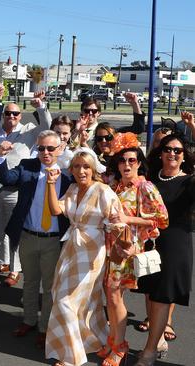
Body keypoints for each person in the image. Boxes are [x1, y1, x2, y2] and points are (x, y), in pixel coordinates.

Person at [0, 130, 73, 348]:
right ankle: (28, 320)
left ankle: (45, 327)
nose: (45, 152)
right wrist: (0, 156)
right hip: (28, 236)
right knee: (30, 282)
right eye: (41, 148)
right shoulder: (27, 166)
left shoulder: (68, 176)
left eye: (50, 148)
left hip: (53, 240)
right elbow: (5, 178)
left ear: (60, 149)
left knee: (49, 287)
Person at [45, 151, 124, 366]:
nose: (81, 171)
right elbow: (55, 210)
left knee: (67, 301)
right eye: (77, 166)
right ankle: (93, 340)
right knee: (70, 298)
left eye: (86, 166)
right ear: (71, 170)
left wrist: (116, 246)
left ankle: (71, 357)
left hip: (92, 252)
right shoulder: (71, 189)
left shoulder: (103, 191)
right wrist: (50, 184)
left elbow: (118, 221)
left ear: (93, 169)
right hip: (71, 249)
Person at [99, 143, 168, 366]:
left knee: (114, 296)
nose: (127, 164)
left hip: (127, 249)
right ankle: (113, 342)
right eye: (122, 160)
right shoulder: (115, 186)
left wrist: (129, 220)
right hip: (108, 248)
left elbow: (161, 219)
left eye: (132, 160)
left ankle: (119, 347)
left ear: (139, 163)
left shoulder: (144, 186)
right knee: (110, 296)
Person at [134, 135, 195, 365]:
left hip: (175, 248)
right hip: (150, 245)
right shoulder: (149, 180)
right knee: (150, 294)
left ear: (184, 156)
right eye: (168, 149)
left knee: (161, 297)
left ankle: (149, 352)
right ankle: (157, 340)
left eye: (178, 151)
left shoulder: (188, 182)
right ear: (160, 153)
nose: (172, 153)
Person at [0, 92, 52, 287]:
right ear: (3, 115)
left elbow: (47, 127)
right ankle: (2, 262)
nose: (11, 117)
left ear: (20, 116)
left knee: (15, 231)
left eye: (15, 114)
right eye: (8, 114)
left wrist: (40, 107)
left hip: (16, 188)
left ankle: (14, 269)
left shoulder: (28, 131)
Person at [79, 92, 145, 143]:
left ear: (99, 113)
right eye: (87, 110)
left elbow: (138, 129)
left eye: (94, 111)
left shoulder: (109, 131)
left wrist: (135, 104)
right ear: (81, 112)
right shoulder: (72, 129)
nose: (90, 113)